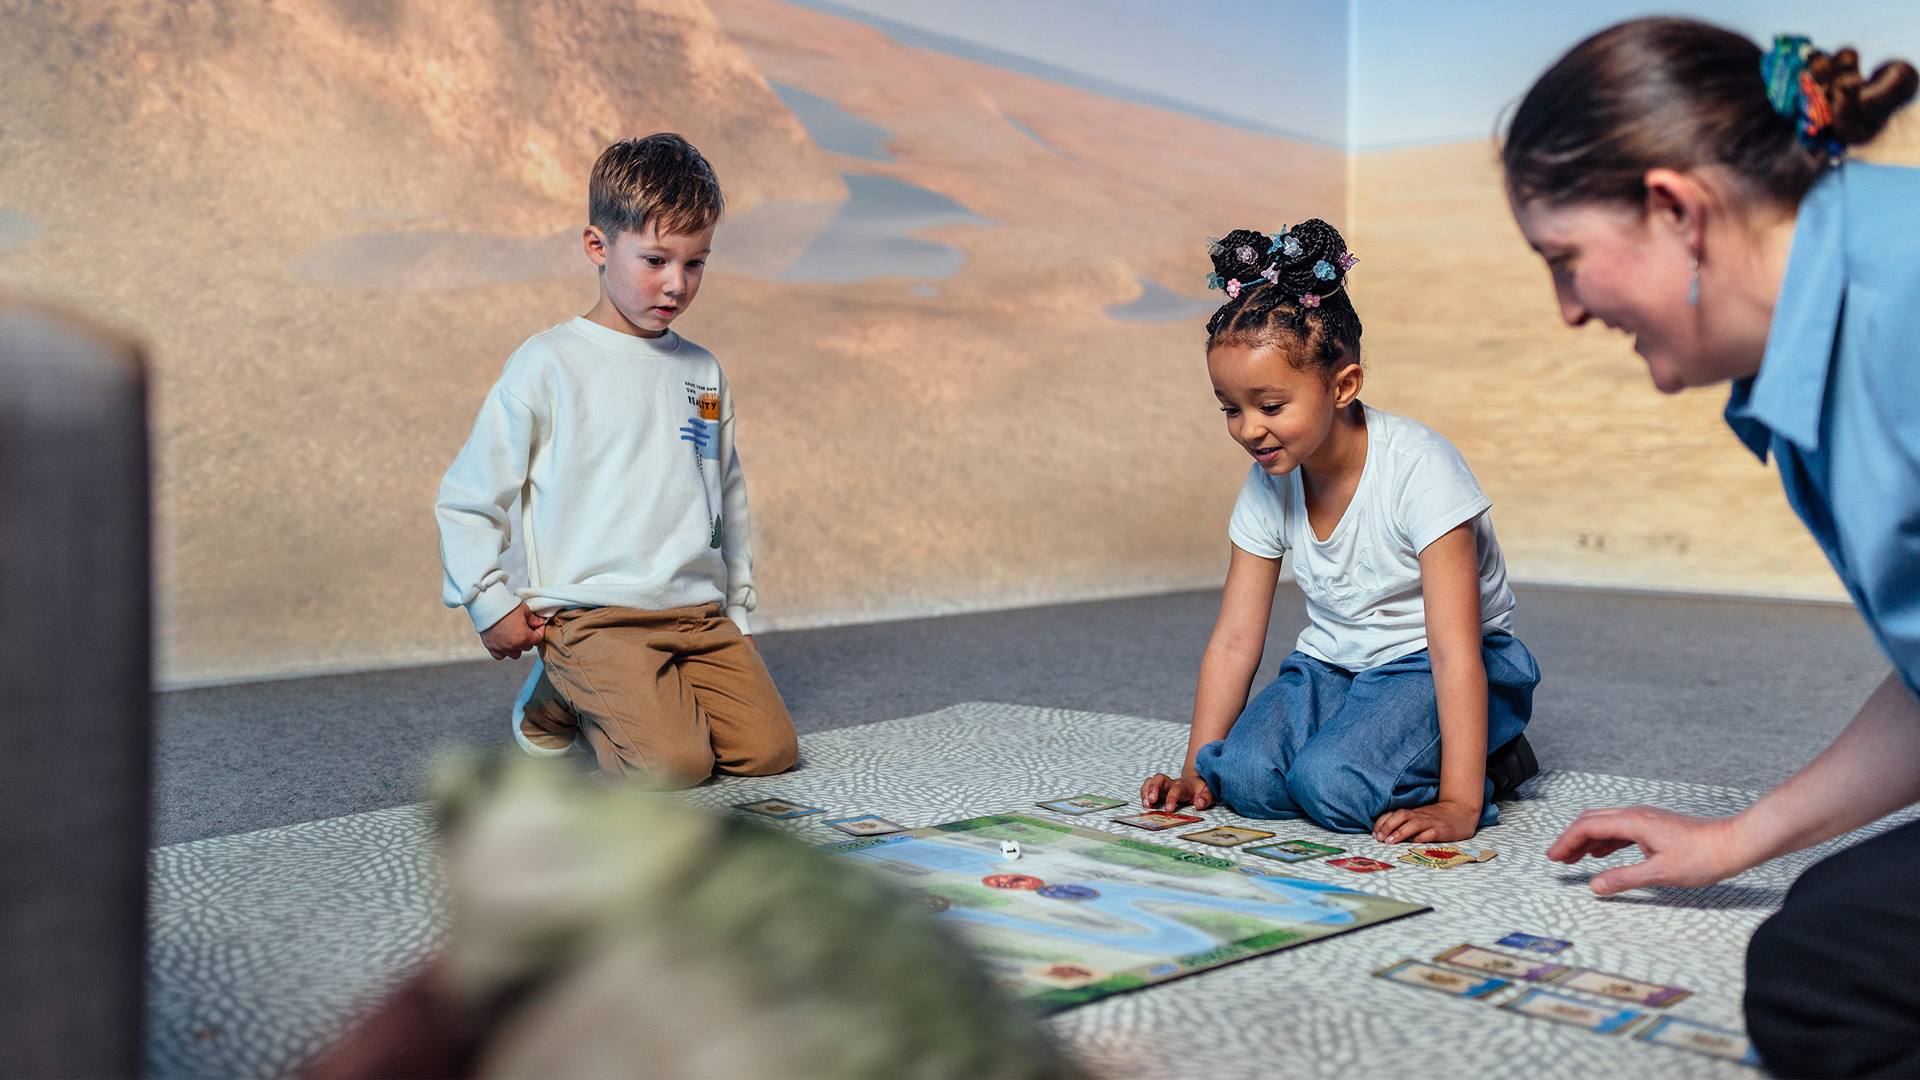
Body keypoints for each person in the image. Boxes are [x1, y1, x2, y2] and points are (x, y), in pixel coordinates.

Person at [1501, 19, 1920, 1077]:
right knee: (1836, 916)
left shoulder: (1906, 304)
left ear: (1676, 211)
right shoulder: (1817, 335)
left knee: (1826, 972)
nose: (1565, 311)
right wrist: (1738, 840)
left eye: (1566, 260)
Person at [1139, 220, 1541, 844]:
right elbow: (1236, 637)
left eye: (1270, 406)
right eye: (1230, 408)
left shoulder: (1421, 468)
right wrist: (1196, 769)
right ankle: (1359, 740)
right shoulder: (1270, 478)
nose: (1249, 430)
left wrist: (1460, 802)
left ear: (1344, 386)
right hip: (1332, 664)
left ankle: (1495, 759)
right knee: (1241, 779)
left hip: (1439, 666)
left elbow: (1453, 649)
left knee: (1332, 785)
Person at [435, 133, 798, 787]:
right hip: (593, 614)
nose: (677, 284)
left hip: (696, 612)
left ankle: (614, 691)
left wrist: (738, 612)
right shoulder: (548, 363)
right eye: (656, 259)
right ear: (597, 246)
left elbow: (728, 497)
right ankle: (556, 696)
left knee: (767, 753)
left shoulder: (703, 370)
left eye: (695, 264)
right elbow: (469, 493)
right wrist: (488, 602)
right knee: (675, 765)